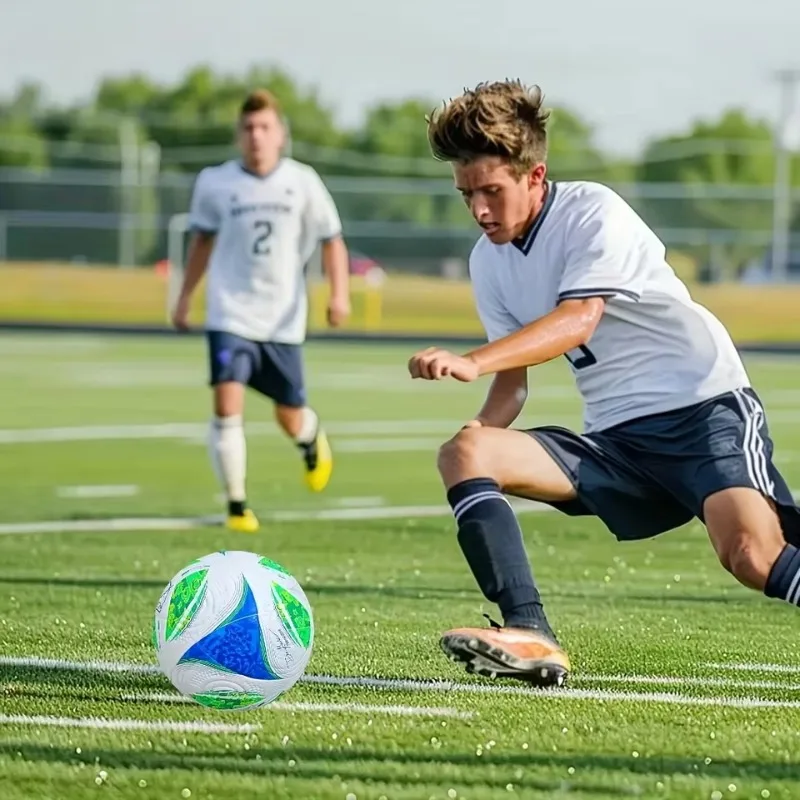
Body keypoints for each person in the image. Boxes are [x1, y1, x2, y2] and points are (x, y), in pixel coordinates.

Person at [407, 79, 800, 688]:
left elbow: (578, 319)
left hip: (703, 412)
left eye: (492, 191)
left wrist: (472, 360)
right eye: (467, 195)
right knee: (463, 450)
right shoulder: (488, 260)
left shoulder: (593, 210)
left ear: (534, 177)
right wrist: (479, 441)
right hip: (617, 442)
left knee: (753, 556)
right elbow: (514, 388)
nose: (480, 210)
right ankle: (531, 635)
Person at [172, 89, 351, 534]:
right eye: (249, 128)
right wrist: (183, 296)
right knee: (226, 401)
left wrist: (339, 294)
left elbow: (332, 240)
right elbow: (202, 242)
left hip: (282, 320)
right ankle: (236, 504)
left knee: (289, 414)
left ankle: (310, 439)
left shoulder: (303, 181)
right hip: (230, 314)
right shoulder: (215, 183)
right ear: (238, 136)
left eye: (265, 127)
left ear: (280, 134)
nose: (256, 136)